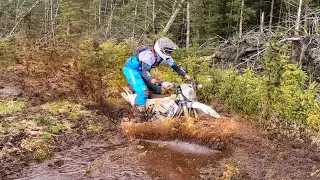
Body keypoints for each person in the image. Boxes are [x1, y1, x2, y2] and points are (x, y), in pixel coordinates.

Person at [123, 37, 191, 122]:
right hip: (132, 70)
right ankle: (138, 118)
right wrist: (152, 80)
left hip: (143, 71)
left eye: (170, 52)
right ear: (160, 49)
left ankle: (153, 111)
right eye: (167, 51)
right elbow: (145, 72)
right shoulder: (148, 55)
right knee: (143, 91)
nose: (169, 53)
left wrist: (186, 76)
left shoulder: (166, 57)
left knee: (159, 90)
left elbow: (176, 67)